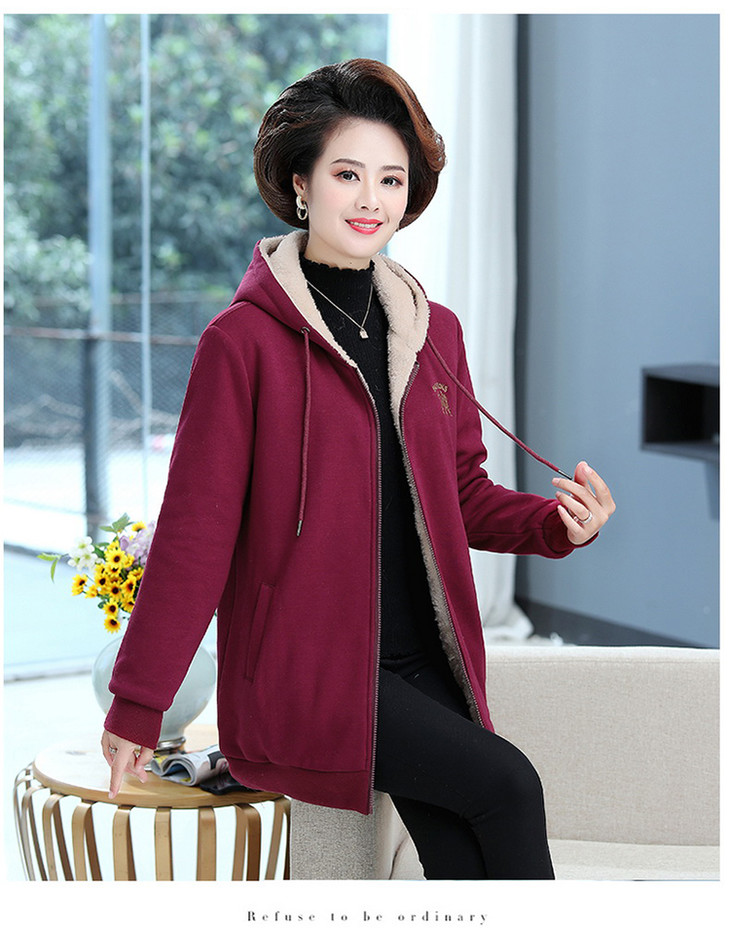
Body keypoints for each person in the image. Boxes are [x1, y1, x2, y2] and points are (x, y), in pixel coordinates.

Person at [101, 58, 615, 880]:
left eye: (390, 179)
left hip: (428, 661)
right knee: (509, 787)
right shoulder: (241, 344)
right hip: (312, 671)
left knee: (465, 859)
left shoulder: (433, 332)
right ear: (300, 183)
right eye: (347, 174)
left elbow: (462, 496)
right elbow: (196, 536)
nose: (371, 199)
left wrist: (555, 525)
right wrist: (138, 701)